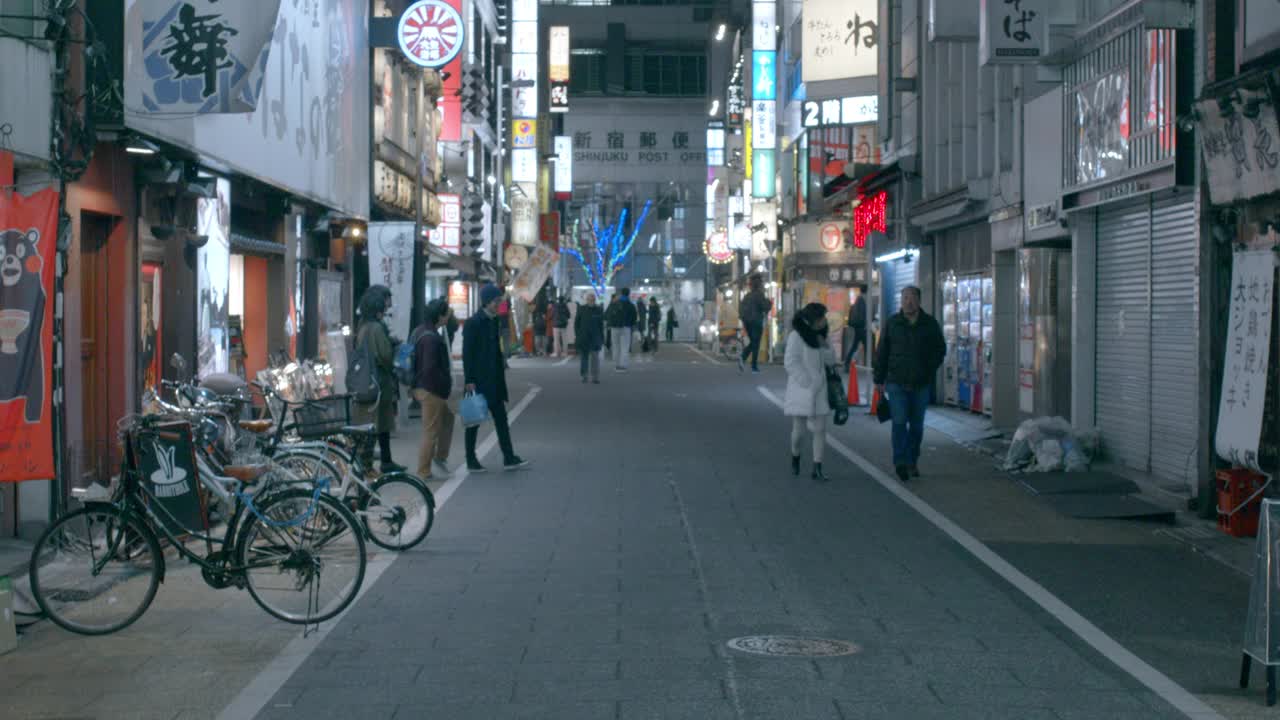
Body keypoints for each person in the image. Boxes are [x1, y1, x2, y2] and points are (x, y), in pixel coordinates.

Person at [873, 286, 947, 483]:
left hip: (921, 383)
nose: (908, 301)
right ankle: (900, 462)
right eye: (905, 298)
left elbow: (940, 350)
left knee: (916, 426)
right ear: (901, 301)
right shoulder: (892, 323)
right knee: (898, 422)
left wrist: (929, 369)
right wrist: (878, 379)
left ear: (919, 300)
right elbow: (882, 352)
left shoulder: (929, 324)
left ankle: (912, 460)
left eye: (912, 298)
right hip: (896, 381)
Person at [463, 284, 529, 472]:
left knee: (501, 419)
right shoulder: (473, 323)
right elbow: (468, 354)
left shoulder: (494, 320)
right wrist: (469, 380)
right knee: (473, 422)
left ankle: (509, 457)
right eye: (495, 301)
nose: (498, 305)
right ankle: (471, 459)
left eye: (498, 301)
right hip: (479, 380)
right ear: (486, 302)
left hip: (495, 379)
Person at [353, 285, 404, 473]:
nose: (387, 307)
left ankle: (383, 461)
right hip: (378, 383)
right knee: (376, 424)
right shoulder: (375, 328)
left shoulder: (363, 326)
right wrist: (394, 347)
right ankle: (370, 465)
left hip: (370, 382)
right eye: (385, 303)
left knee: (379, 424)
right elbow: (385, 355)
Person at [784, 303, 836, 483]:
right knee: (798, 432)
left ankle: (817, 467)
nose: (824, 321)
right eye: (821, 317)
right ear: (812, 319)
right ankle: (795, 456)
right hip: (801, 389)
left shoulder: (822, 336)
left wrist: (825, 347)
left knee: (820, 429)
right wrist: (806, 382)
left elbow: (831, 361)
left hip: (820, 389)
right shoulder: (796, 336)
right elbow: (790, 362)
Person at [411, 299, 455, 481]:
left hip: (421, 386)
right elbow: (430, 369)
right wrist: (443, 387)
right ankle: (423, 471)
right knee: (430, 430)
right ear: (440, 315)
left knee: (448, 419)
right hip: (430, 389)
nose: (448, 317)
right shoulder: (431, 338)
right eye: (446, 314)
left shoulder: (420, 331)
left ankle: (440, 457)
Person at [738, 274, 773, 373]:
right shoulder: (759, 295)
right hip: (756, 321)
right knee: (755, 343)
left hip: (747, 322)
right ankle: (753, 366)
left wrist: (744, 321)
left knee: (753, 342)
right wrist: (770, 302)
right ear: (759, 284)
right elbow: (765, 307)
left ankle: (743, 358)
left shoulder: (747, 296)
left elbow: (741, 310)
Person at [574, 292, 605, 384]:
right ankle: (584, 375)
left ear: (595, 300)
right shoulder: (581, 309)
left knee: (595, 358)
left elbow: (601, 325)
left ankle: (595, 377)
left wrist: (601, 337)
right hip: (583, 337)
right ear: (586, 300)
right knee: (584, 357)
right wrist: (578, 335)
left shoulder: (599, 310)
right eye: (589, 299)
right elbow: (576, 324)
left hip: (595, 337)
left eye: (593, 299)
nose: (591, 301)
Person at [605, 288, 637, 371]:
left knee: (615, 346)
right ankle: (623, 366)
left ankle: (616, 365)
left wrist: (609, 324)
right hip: (626, 327)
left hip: (614, 327)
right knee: (625, 347)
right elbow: (634, 317)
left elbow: (607, 314)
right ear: (628, 294)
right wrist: (632, 325)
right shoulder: (630, 304)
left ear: (621, 293)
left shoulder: (614, 303)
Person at [842, 283, 868, 370]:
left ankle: (847, 363)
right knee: (866, 345)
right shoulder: (861, 299)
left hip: (858, 327)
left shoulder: (859, 299)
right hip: (861, 327)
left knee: (855, 346)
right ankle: (873, 365)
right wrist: (864, 325)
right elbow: (862, 315)